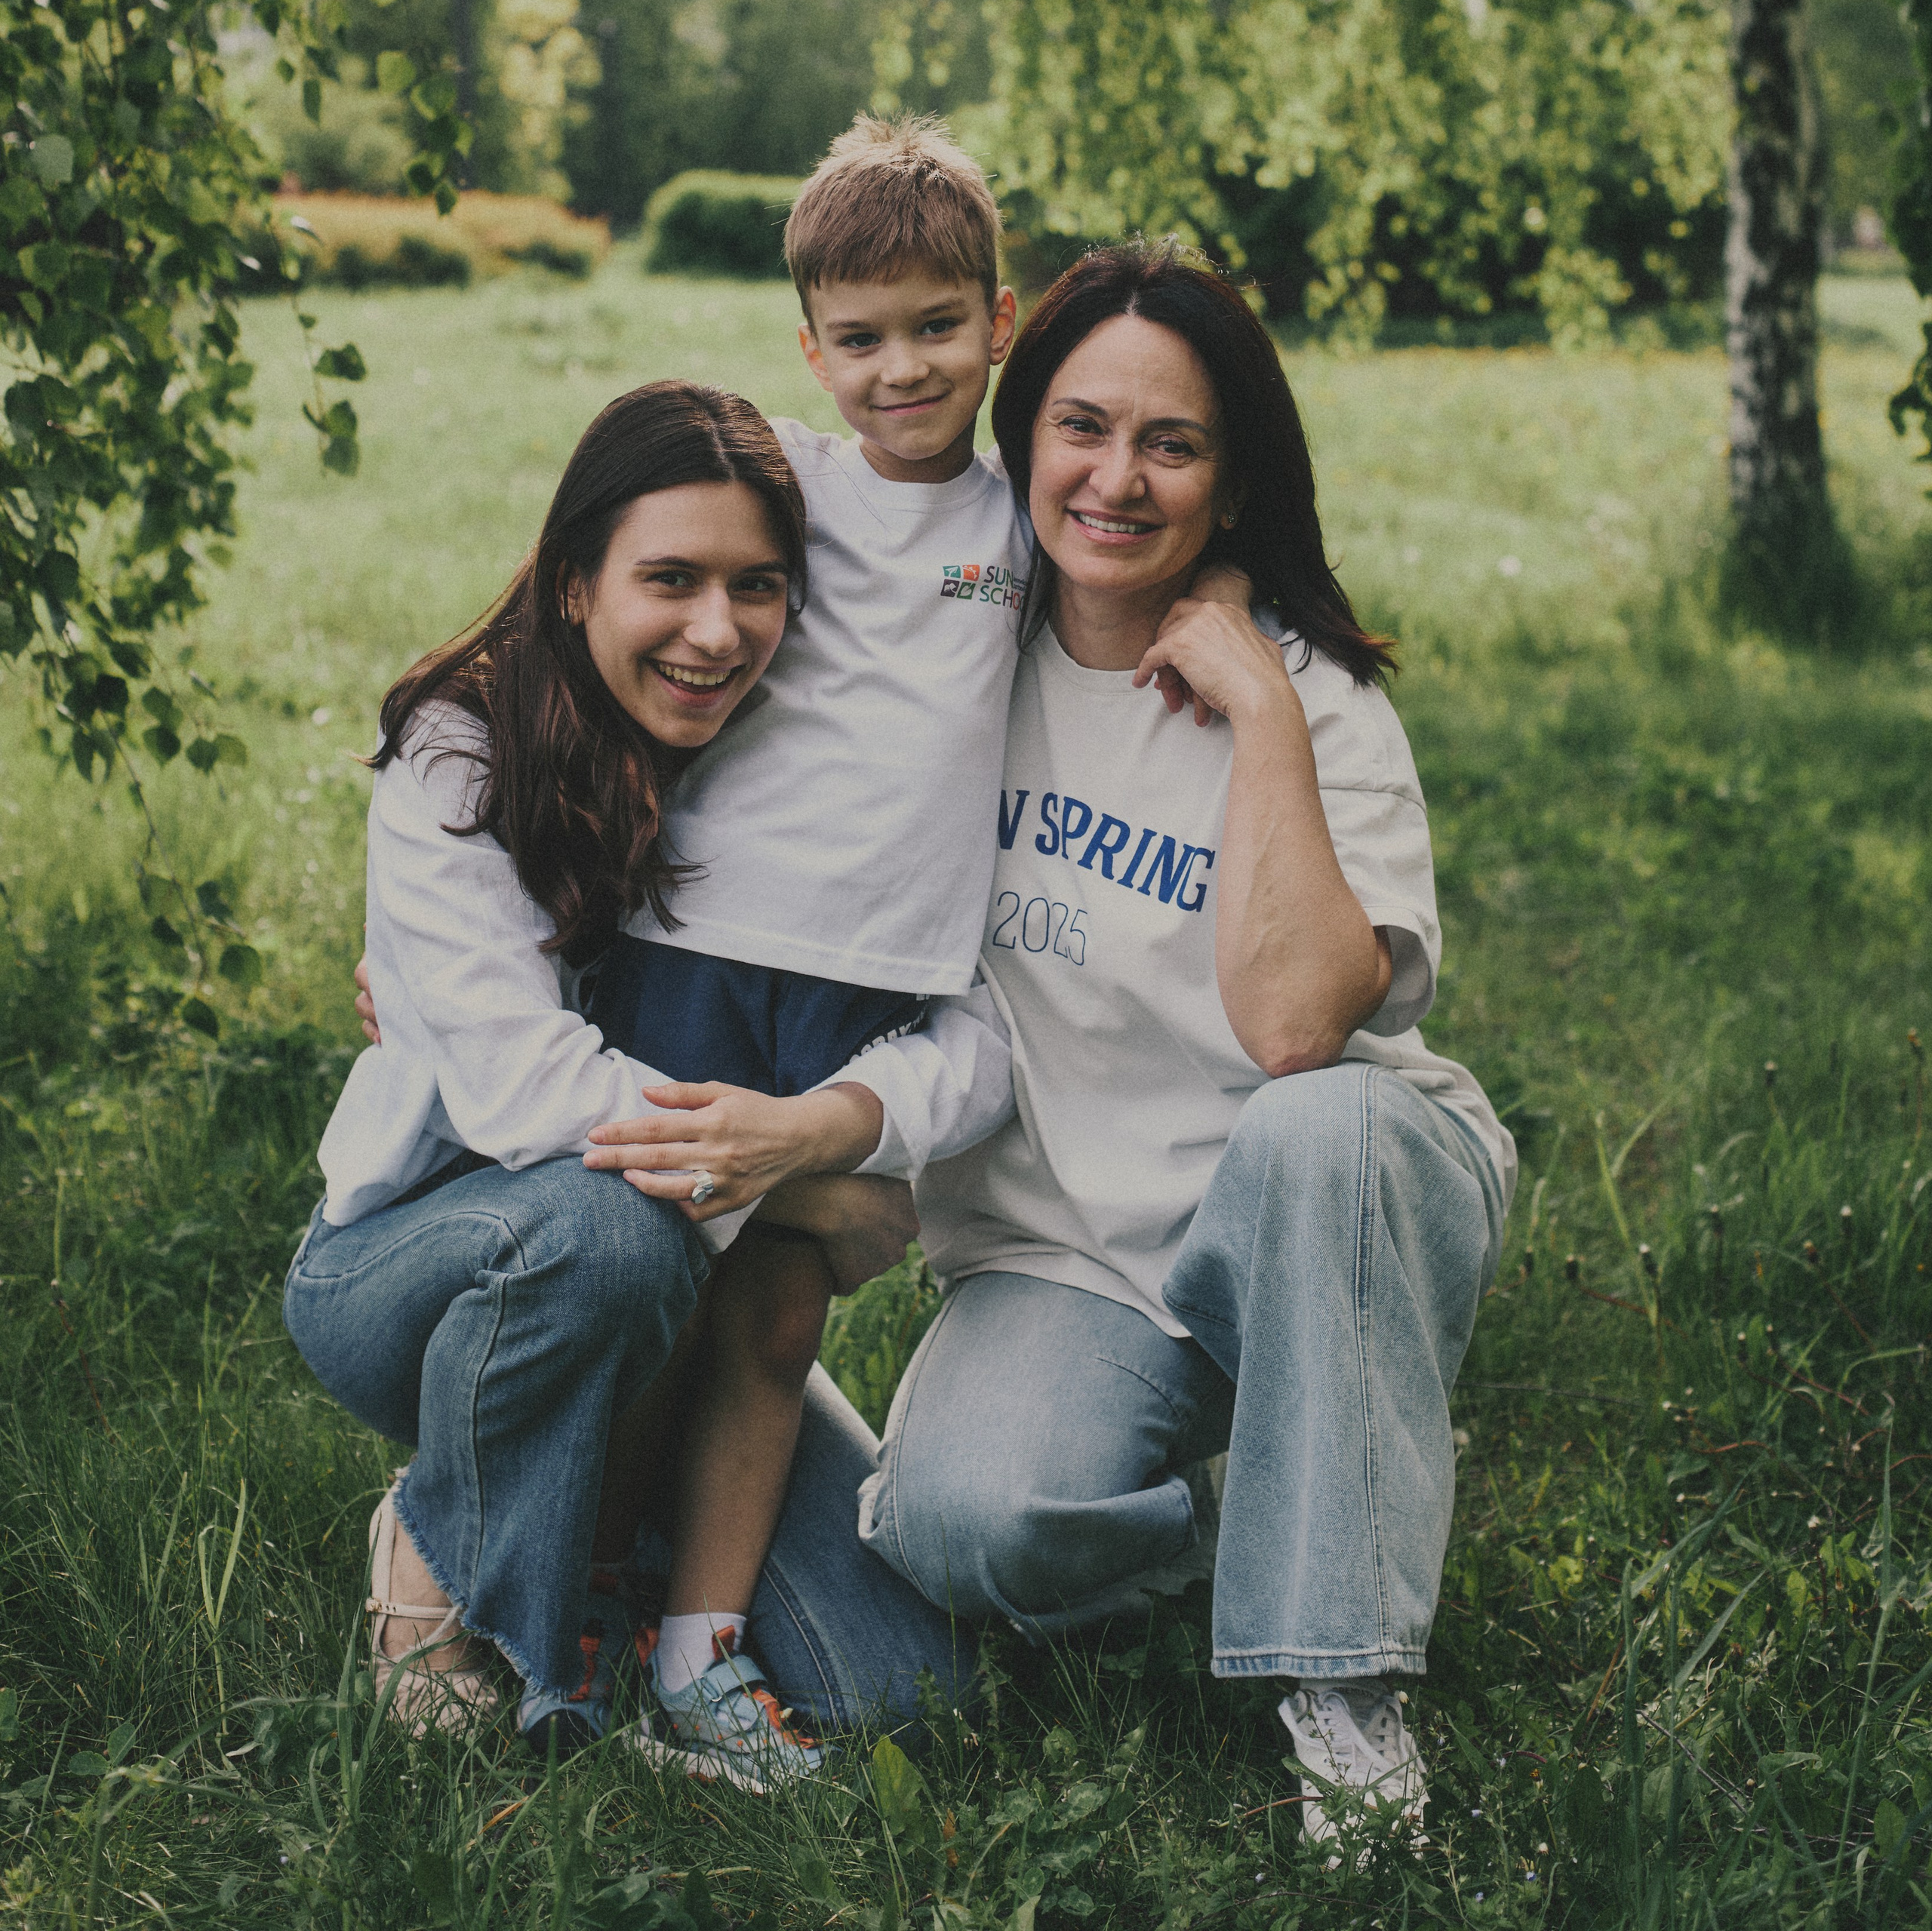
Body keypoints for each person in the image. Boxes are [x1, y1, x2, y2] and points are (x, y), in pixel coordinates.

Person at [844, 242, 1517, 1856]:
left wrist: (1259, 713)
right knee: (957, 1526)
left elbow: (1297, 1028)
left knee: (1318, 1128)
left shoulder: (1313, 701)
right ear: (1020, 440)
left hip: (1312, 1212)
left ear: (1232, 480)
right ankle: (1274, 1512)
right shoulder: (950, 660)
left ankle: (1342, 1688)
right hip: (1069, 1247)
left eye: (1172, 444)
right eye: (1080, 426)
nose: (1115, 479)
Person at [285, 381, 986, 1765]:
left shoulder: (772, 753)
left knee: (905, 1682)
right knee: (613, 1230)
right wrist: (805, 1189)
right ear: (570, 583)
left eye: (758, 587)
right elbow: (528, 1095)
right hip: (426, 1273)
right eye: (670, 579)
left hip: (688, 1308)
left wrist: (826, 1133)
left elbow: (949, 1015)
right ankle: (440, 1562)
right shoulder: (459, 753)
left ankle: (584, 1525)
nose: (716, 632)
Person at [570, 115, 1033, 1771]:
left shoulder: (1025, 524)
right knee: (643, 1283)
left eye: (934, 325)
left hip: (864, 994)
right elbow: (615, 601)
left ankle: (698, 1660)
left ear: (999, 316)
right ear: (807, 346)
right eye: (858, 335)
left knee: (770, 1315)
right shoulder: (782, 474)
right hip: (697, 947)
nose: (897, 367)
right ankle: (562, 1583)